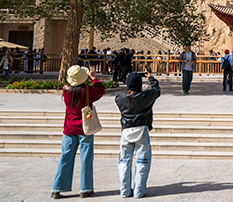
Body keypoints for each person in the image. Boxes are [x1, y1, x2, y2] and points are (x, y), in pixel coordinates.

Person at [51, 65, 106, 199]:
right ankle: (85, 188)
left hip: (69, 129)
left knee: (65, 157)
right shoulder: (87, 91)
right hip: (85, 129)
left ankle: (57, 188)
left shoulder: (65, 91)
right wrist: (93, 78)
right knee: (86, 158)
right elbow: (101, 90)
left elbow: (69, 86)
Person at [115, 71, 160, 198]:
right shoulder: (145, 97)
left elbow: (123, 95)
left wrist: (130, 79)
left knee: (124, 161)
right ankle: (139, 191)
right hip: (141, 129)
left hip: (126, 130)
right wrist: (151, 78)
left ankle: (124, 190)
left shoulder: (120, 99)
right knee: (142, 161)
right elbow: (156, 91)